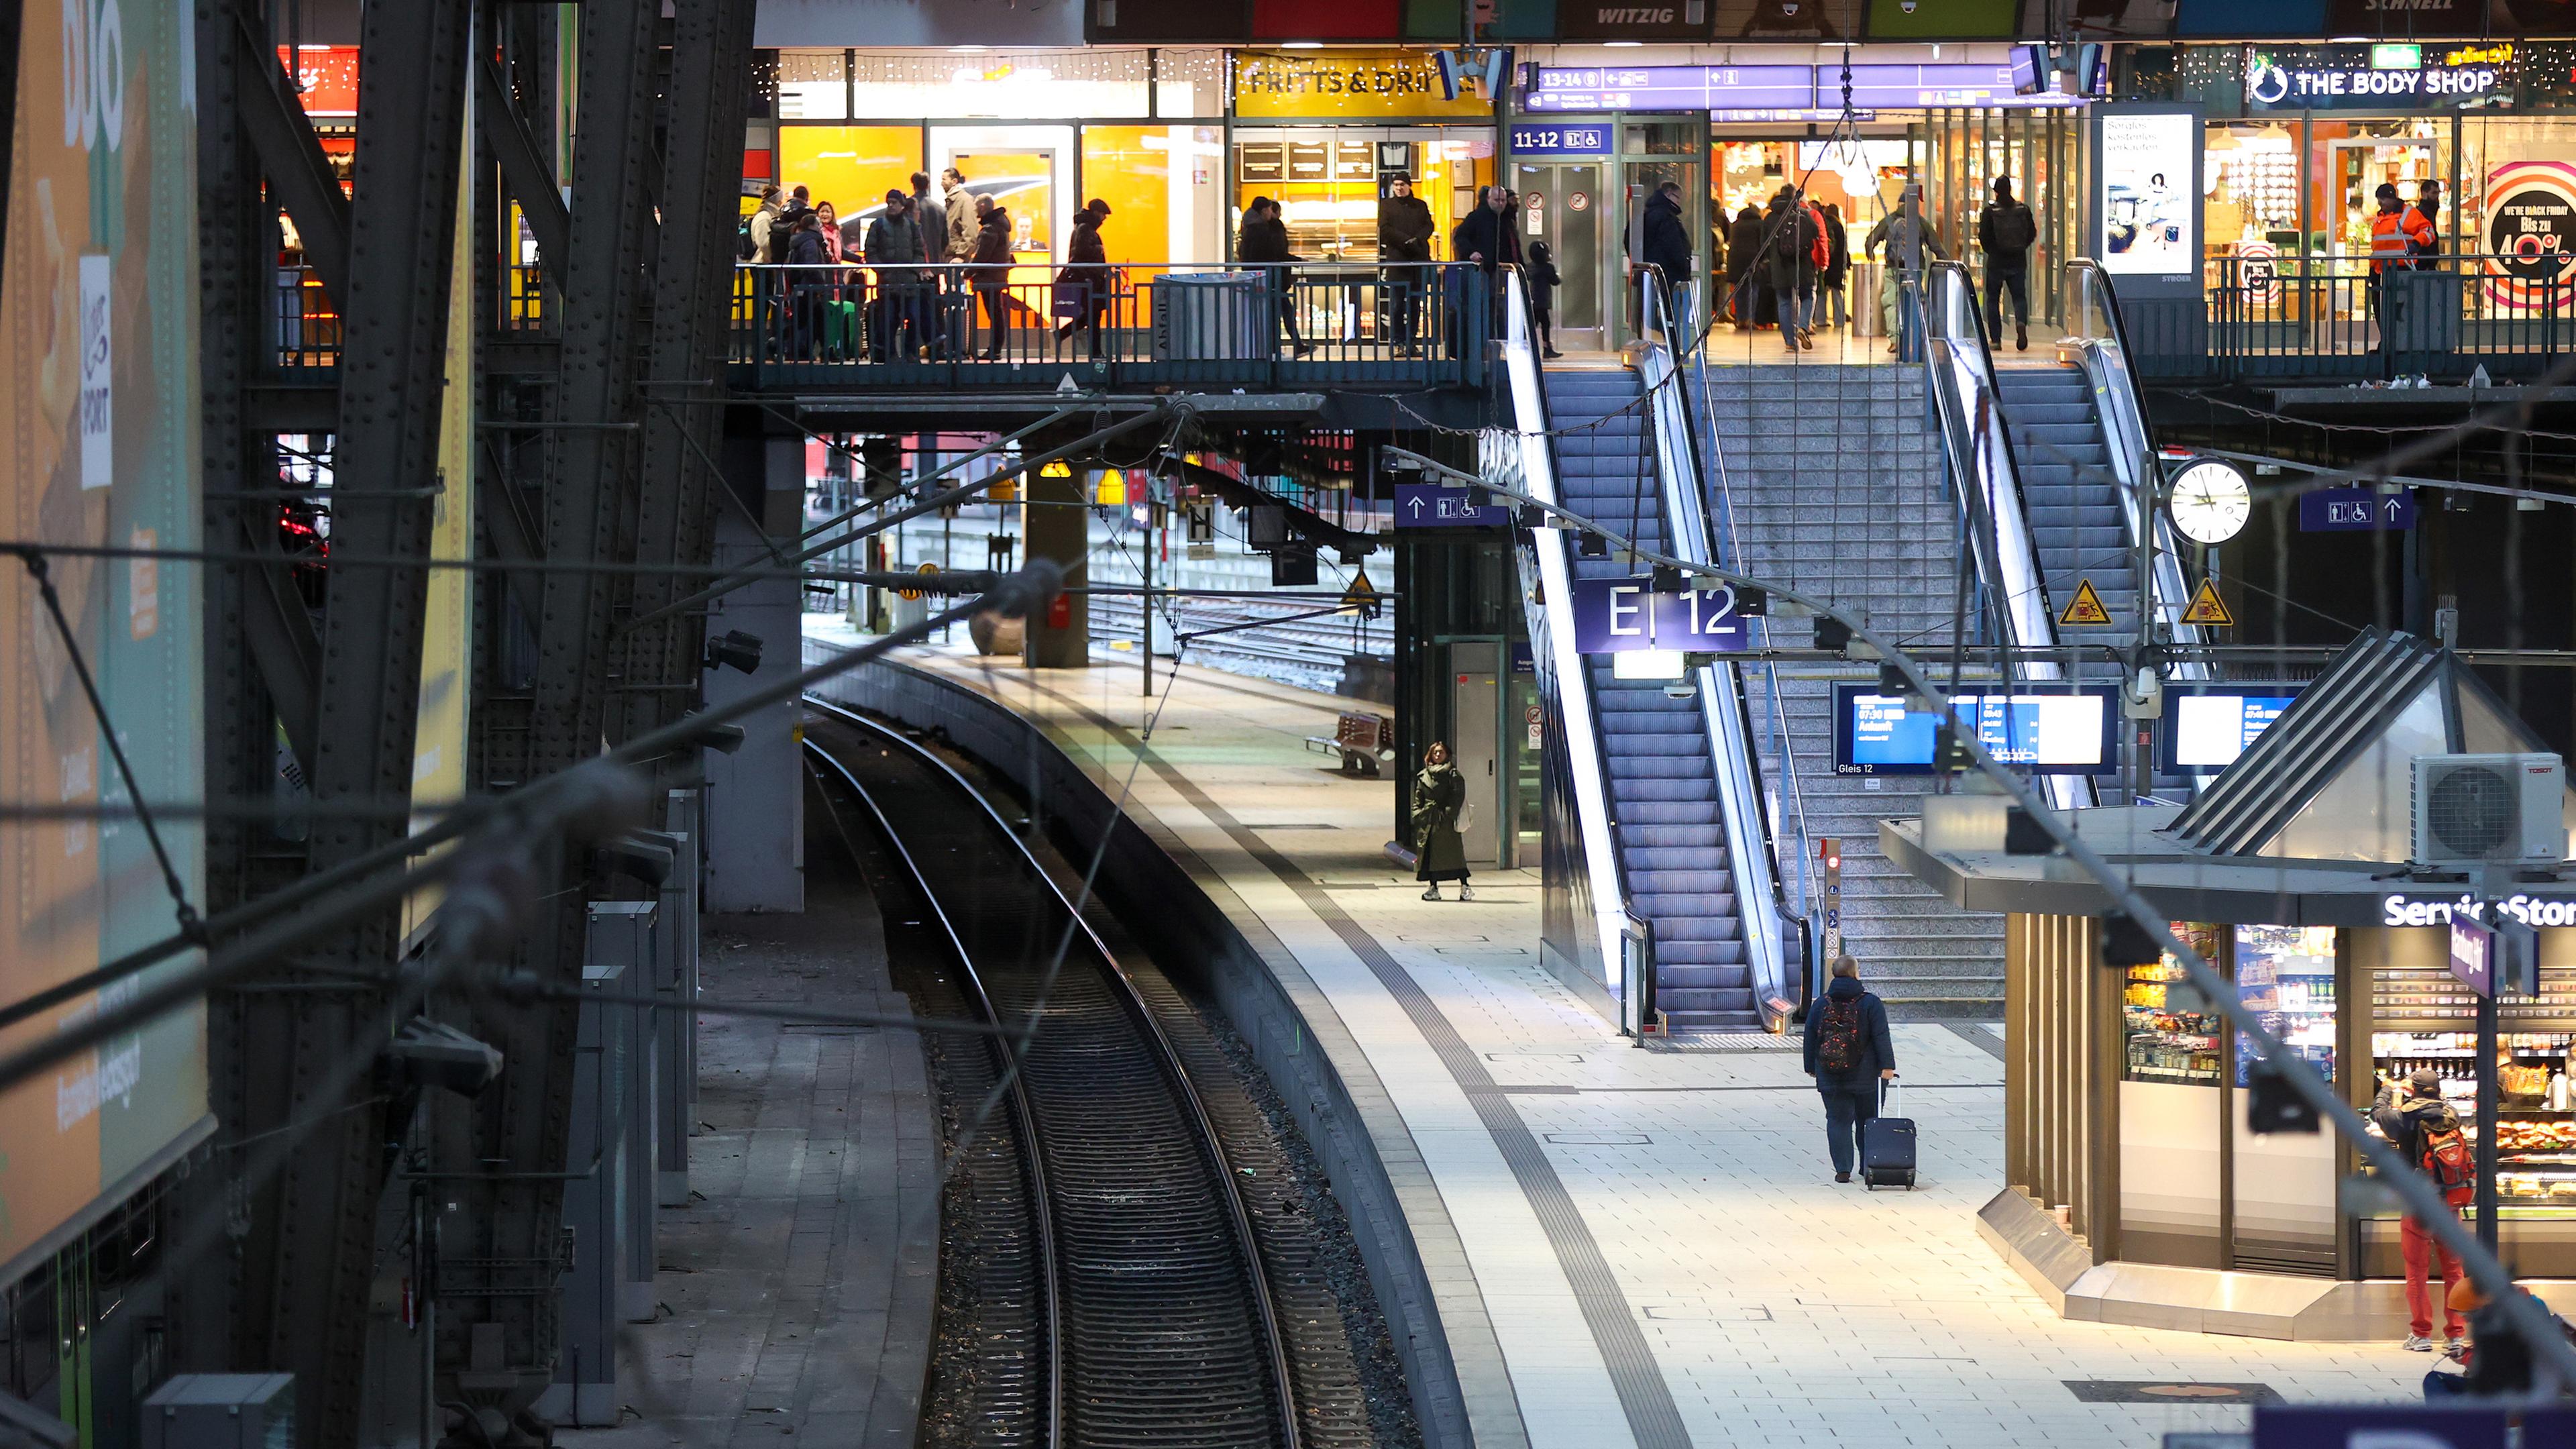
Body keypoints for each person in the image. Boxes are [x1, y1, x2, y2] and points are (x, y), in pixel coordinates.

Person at [2375, 1067, 2472, 1354]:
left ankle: (2421, 1335)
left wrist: (2389, 1088)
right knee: (2454, 1271)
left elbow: (2378, 1113)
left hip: (2417, 1203)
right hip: (2449, 1201)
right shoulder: (2451, 1113)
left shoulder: (2404, 1119)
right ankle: (2456, 1335)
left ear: (2413, 1091)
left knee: (2416, 1271)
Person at [1803, 956, 1896, 1183]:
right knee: (1869, 1120)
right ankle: (1868, 1166)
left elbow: (1810, 1035)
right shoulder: (1870, 1003)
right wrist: (1887, 1066)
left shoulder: (1821, 1003)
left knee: (1837, 1120)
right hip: (1867, 1076)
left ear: (1834, 974)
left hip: (1830, 1073)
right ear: (1856, 973)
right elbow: (1881, 1035)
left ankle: (1843, 1169)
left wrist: (1811, 1067)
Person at [1867, 182, 1945, 357]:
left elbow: (1871, 239)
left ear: (1899, 204)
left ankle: (1895, 340)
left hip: (1893, 268)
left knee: (1891, 303)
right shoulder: (1921, 222)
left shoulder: (1890, 219)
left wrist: (1870, 254)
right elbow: (1936, 246)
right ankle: (1917, 338)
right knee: (1915, 303)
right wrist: (1947, 263)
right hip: (1915, 269)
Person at [1238, 196, 1310, 357]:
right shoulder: (1262, 229)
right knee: (1279, 314)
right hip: (1271, 279)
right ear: (1265, 210)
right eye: (1270, 209)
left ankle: (1283, 348)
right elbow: (1274, 254)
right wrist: (1295, 260)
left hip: (1263, 278)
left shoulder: (1250, 225)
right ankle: (1274, 351)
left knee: (1279, 313)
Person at [865, 189, 928, 360]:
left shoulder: (912, 227)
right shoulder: (878, 225)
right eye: (889, 202)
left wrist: (913, 270)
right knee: (889, 321)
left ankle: (909, 352)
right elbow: (870, 252)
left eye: (894, 202)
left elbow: (919, 252)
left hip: (908, 282)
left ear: (902, 205)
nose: (891, 206)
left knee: (913, 319)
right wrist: (884, 271)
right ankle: (890, 353)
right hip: (888, 283)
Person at [1980, 176, 2039, 352]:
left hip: (1996, 262)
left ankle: (1996, 340)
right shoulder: (2023, 210)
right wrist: (2020, 248)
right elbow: (2032, 233)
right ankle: (2020, 324)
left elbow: (1984, 237)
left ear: (1996, 192)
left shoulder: (1990, 212)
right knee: (2019, 298)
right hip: (2018, 261)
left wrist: (1994, 250)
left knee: (1992, 299)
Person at [1378, 174, 1435, 354]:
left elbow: (1429, 226)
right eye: (1395, 185)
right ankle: (1397, 342)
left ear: (1409, 186)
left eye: (1402, 185)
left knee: (1414, 305)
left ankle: (1410, 341)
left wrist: (1417, 240)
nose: (1398, 188)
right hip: (1398, 262)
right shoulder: (1387, 205)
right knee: (1396, 305)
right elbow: (1384, 230)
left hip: (1416, 262)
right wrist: (1406, 241)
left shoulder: (1420, 205)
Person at [1411, 742, 1472, 901]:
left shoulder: (1453, 775)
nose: (1438, 756)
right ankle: (1433, 887)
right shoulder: (1423, 775)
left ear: (1447, 755)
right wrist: (1418, 813)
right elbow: (1419, 797)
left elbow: (1457, 797)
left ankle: (1465, 886)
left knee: (1455, 856)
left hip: (1445, 822)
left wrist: (1448, 814)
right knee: (1430, 856)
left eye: (1441, 753)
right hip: (1429, 821)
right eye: (1435, 753)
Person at [1055, 199, 1115, 359]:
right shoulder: (1085, 229)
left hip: (1088, 278)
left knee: (1092, 315)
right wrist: (1098, 248)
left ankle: (1062, 335)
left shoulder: (1084, 228)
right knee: (1094, 315)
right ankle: (1095, 352)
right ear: (1096, 213)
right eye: (1103, 215)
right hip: (1087, 279)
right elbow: (1082, 252)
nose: (1104, 219)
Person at [1763, 186, 1821, 350]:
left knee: (1784, 303)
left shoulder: (1770, 218)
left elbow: (1763, 243)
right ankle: (1803, 327)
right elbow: (1816, 233)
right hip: (1801, 265)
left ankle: (1790, 343)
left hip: (1779, 266)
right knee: (1807, 296)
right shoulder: (1803, 214)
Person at [1638, 179, 1695, 342]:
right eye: (1677, 198)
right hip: (1667, 274)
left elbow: (1630, 239)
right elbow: (1673, 246)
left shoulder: (1648, 214)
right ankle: (1673, 344)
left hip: (1653, 272)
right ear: (1669, 195)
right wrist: (1683, 270)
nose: (1679, 202)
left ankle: (1669, 339)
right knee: (1670, 311)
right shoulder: (1666, 217)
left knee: (1650, 309)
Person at [970, 193, 1014, 361]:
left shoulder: (990, 229)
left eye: (976, 206)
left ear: (983, 206)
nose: (975, 210)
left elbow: (982, 256)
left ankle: (994, 349)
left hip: (988, 278)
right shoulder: (1001, 226)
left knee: (994, 313)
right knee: (997, 312)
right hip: (997, 276)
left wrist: (967, 272)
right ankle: (995, 349)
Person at [1726, 203, 1764, 329]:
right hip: (1753, 259)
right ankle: (1750, 319)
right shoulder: (1759, 224)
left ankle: (1740, 319)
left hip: (1736, 261)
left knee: (1739, 291)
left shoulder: (1736, 225)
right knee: (1753, 290)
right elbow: (1762, 243)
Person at [1529, 239, 1563, 358]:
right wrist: (1559, 276)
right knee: (1543, 324)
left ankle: (1546, 347)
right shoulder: (1548, 268)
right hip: (1542, 300)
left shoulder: (1529, 267)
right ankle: (1544, 348)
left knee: (1539, 323)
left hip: (1532, 300)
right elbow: (1555, 281)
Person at [1819, 201, 1850, 331]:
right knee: (1837, 293)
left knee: (1822, 292)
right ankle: (1839, 319)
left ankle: (1820, 319)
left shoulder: (1824, 224)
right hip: (1836, 264)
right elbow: (1843, 246)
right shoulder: (1838, 225)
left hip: (1824, 263)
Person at [2411, 179, 2445, 270]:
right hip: (2425, 260)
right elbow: (2426, 236)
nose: (2436, 196)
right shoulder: (2424, 212)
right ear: (2424, 194)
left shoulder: (2429, 210)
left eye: (2438, 193)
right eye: (2434, 193)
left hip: (2427, 259)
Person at [747, 184, 783, 265]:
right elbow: (763, 243)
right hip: (763, 264)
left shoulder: (770, 215)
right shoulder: (764, 217)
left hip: (765, 263)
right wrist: (772, 261)